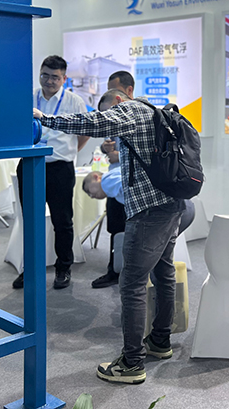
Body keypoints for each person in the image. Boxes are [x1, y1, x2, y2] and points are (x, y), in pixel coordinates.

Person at [34, 92, 185, 385]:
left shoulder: (129, 111)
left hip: (148, 213)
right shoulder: (152, 111)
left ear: (118, 99)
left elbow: (91, 122)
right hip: (171, 204)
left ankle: (132, 363)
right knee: (163, 274)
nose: (108, 119)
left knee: (132, 284)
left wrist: (47, 119)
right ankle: (160, 340)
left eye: (108, 112)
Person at [14, 55, 88, 290]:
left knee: (62, 221)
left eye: (55, 77)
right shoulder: (28, 98)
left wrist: (69, 152)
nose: (49, 81)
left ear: (64, 79)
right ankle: (30, 269)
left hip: (59, 168)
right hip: (30, 165)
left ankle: (63, 268)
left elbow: (84, 132)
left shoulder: (74, 101)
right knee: (30, 221)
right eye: (45, 75)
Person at [90, 89, 128, 289]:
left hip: (131, 184)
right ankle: (114, 270)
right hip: (116, 181)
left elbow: (149, 154)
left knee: (132, 230)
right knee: (115, 227)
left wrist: (120, 156)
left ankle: (128, 272)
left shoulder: (139, 120)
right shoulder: (114, 123)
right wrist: (106, 150)